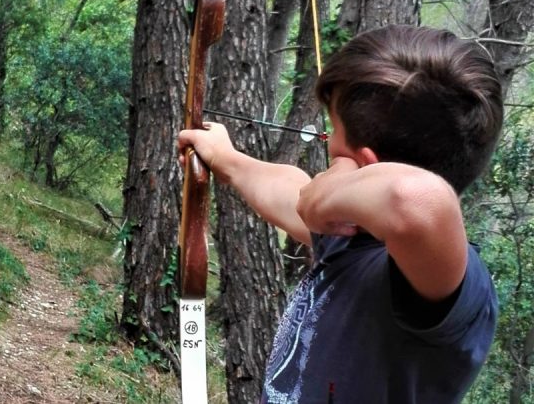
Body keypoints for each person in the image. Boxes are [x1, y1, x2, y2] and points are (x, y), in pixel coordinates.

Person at [178, 25, 503, 403]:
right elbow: (288, 193)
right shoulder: (356, 238)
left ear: (366, 164)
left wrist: (326, 197)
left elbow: (416, 199)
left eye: (334, 133)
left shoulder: (444, 280)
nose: (328, 143)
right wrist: (228, 160)